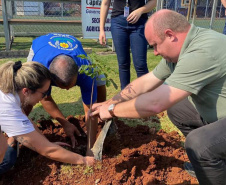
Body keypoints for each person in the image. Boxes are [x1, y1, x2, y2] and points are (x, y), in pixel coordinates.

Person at [91, 9, 226, 185]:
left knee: (199, 144)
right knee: (178, 110)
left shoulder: (202, 52)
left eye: (155, 45)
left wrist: (111, 110)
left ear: (170, 35)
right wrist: (111, 101)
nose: (154, 52)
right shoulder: (183, 49)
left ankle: (211, 161)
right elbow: (146, 82)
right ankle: (216, 161)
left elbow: (155, 104)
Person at [0, 61, 94, 175]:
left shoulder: (10, 93)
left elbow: (26, 122)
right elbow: (47, 150)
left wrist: (45, 142)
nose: (43, 98)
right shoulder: (8, 108)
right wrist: (84, 160)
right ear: (26, 91)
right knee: (5, 156)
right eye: (43, 93)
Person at [27, 33, 106, 156]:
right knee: (32, 95)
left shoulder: (86, 69)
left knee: (100, 80)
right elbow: (45, 99)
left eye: (71, 86)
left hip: (72, 44)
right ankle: (18, 126)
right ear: (51, 79)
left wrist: (90, 148)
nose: (68, 91)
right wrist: (65, 123)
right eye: (63, 87)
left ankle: (103, 114)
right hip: (41, 46)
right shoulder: (39, 70)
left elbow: (89, 110)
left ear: (78, 74)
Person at [99, 0, 156, 90]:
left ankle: (146, 96)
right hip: (118, 24)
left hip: (139, 24)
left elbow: (154, 2)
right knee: (123, 64)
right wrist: (101, 29)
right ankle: (125, 96)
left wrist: (140, 10)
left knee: (140, 64)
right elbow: (105, 3)